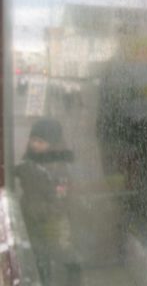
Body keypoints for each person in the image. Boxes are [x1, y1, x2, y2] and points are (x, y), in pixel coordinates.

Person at [15, 118, 81, 286]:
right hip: (31, 218)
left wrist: (46, 212)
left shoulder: (58, 168)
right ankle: (44, 280)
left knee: (62, 251)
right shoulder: (28, 162)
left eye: (41, 141)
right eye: (33, 139)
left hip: (54, 221)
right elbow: (16, 171)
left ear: (53, 144)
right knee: (38, 253)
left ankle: (74, 275)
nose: (35, 144)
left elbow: (61, 199)